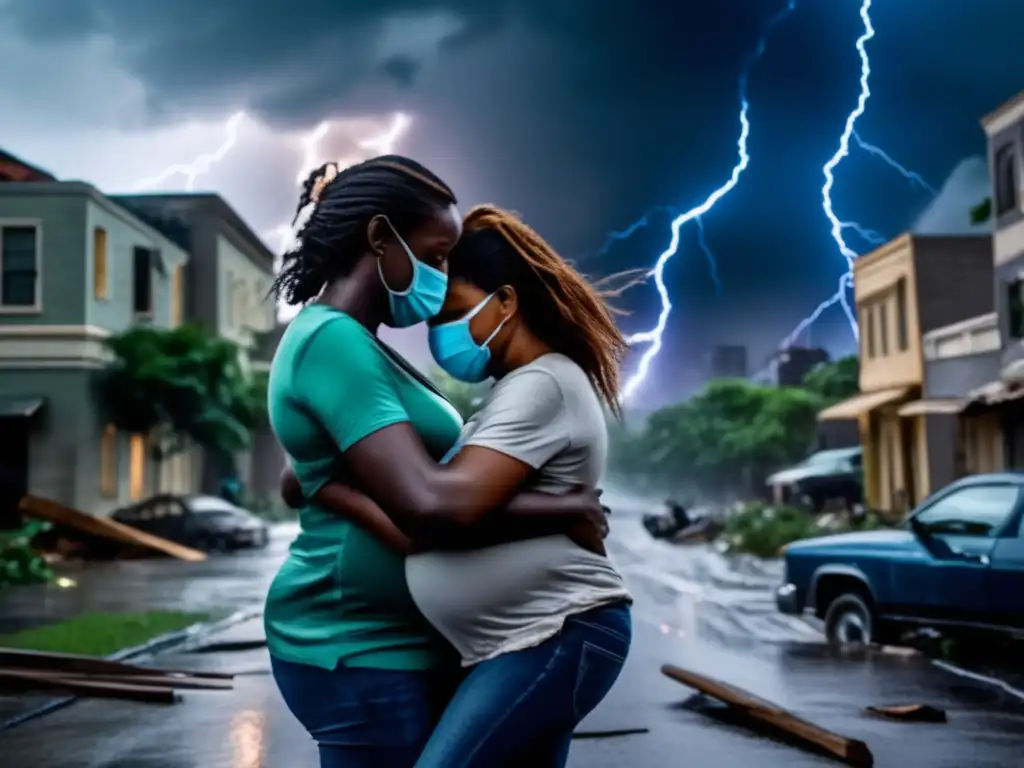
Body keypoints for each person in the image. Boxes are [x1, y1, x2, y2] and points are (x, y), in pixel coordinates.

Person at [265, 157, 606, 768]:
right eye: (437, 253)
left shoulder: (361, 346)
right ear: (379, 238)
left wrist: (326, 484)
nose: (441, 275)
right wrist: (564, 509)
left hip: (405, 645)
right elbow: (426, 505)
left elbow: (304, 473)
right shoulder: (332, 340)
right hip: (358, 642)